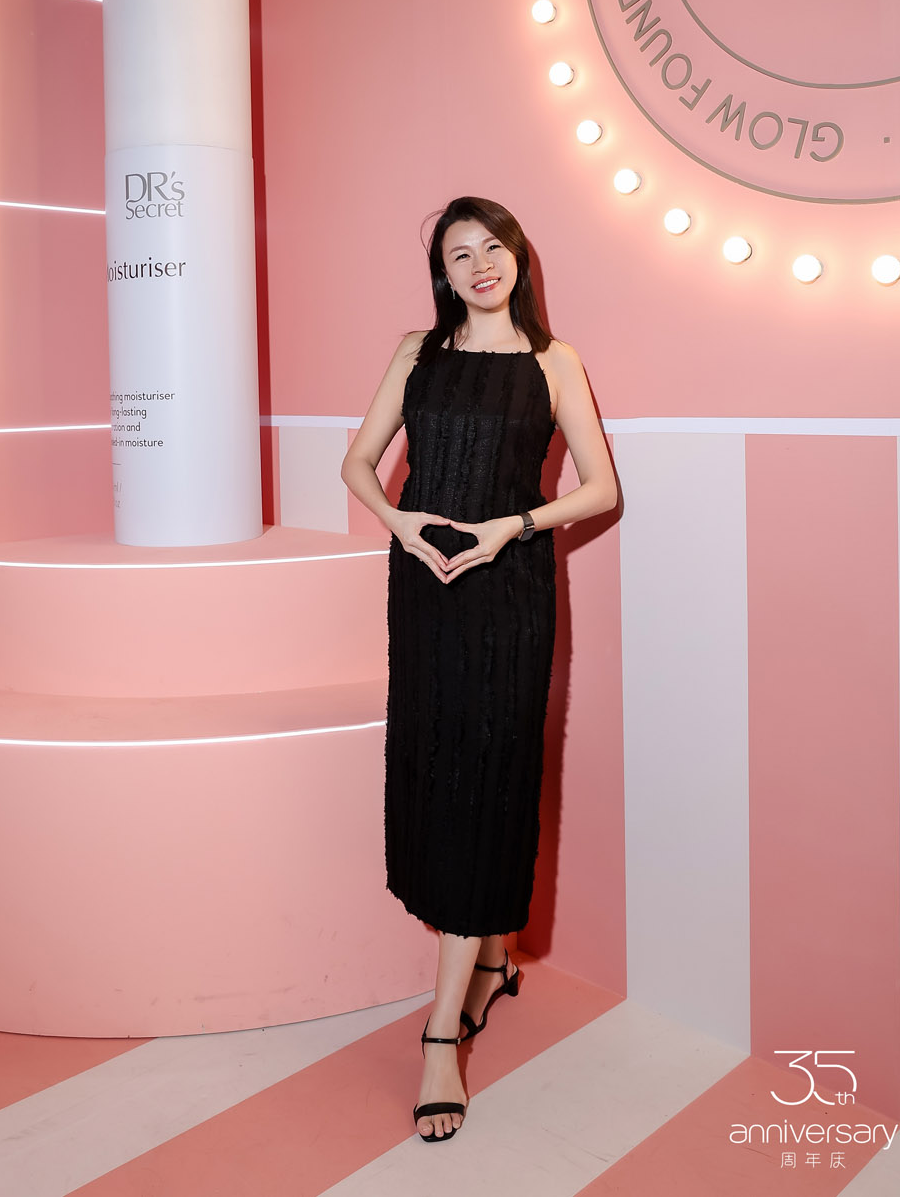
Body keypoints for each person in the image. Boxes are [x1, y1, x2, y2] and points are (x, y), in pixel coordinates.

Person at [340, 194, 616, 1143]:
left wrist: (515, 525)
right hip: (424, 588)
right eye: (459, 254)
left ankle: (439, 1036)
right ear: (444, 274)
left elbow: (600, 488)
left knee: (489, 777)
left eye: (491, 247)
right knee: (438, 771)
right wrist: (401, 524)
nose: (479, 265)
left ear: (517, 258)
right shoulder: (415, 352)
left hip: (508, 593)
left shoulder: (554, 361)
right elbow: (358, 463)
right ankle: (492, 962)